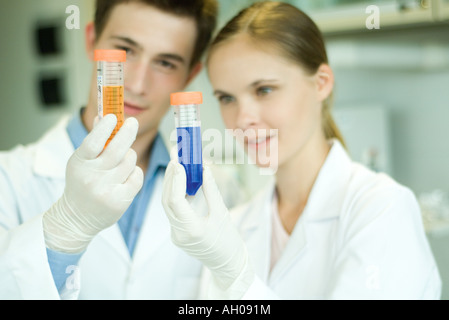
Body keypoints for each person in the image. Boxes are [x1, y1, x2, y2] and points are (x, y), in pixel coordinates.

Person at [162, 1, 442, 299]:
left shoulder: (381, 208)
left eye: (264, 90)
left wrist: (238, 278)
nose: (242, 118)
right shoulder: (236, 224)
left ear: (321, 83)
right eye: (227, 98)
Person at [0, 0, 225, 300]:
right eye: (125, 51)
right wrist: (65, 230)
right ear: (91, 40)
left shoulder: (216, 190)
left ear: (190, 74)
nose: (137, 82)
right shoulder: (10, 180)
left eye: (166, 63)